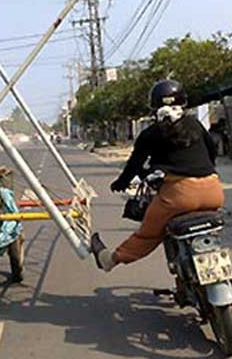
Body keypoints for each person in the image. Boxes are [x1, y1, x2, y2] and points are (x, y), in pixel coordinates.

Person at [91, 80, 224, 272]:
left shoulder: (151, 134)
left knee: (148, 234)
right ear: (183, 103)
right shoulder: (195, 125)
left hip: (179, 197)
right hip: (214, 191)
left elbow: (135, 164)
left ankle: (110, 260)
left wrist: (120, 184)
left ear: (154, 107)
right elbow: (212, 151)